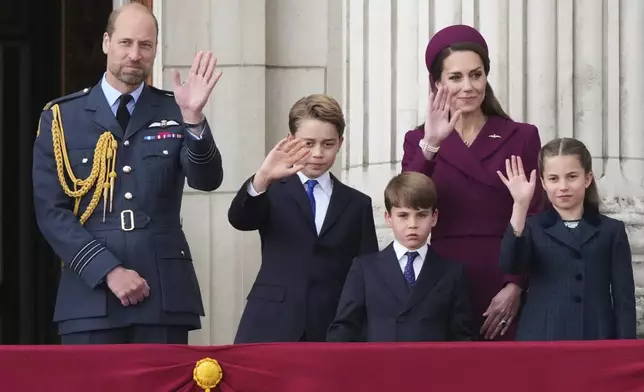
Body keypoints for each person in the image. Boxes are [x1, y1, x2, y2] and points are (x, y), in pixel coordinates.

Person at [32, 3, 224, 344]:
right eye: (126, 43)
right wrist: (108, 270)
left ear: (154, 50)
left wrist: (193, 117)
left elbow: (207, 180)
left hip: (163, 294)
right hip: (90, 296)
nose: (135, 54)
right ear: (107, 42)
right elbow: (51, 212)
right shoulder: (62, 117)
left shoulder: (175, 108)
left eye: (145, 45)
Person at [401, 24, 544, 340]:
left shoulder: (521, 136)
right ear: (437, 83)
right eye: (455, 77)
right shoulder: (418, 140)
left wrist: (516, 283)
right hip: (442, 278)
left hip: (503, 271)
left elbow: (535, 214)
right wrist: (432, 145)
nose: (468, 86)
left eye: (476, 75)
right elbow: (407, 204)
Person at [228, 94, 379, 343]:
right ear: (291, 140)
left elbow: (366, 271)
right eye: (308, 143)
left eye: (328, 144)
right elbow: (240, 219)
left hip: (332, 326)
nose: (318, 153)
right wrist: (262, 177)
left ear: (340, 142)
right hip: (271, 322)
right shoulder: (271, 189)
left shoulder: (357, 204)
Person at [497, 139, 636, 340]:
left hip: (595, 337)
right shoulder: (532, 227)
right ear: (543, 183)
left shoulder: (611, 230)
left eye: (572, 177)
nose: (563, 186)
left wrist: (625, 350)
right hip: (542, 337)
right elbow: (510, 264)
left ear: (587, 179)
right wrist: (520, 205)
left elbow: (624, 301)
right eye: (554, 179)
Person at [326, 172, 473, 342]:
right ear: (389, 218)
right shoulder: (364, 269)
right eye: (403, 215)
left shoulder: (451, 273)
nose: (412, 224)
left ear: (434, 217)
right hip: (380, 365)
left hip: (432, 366)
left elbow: (462, 337)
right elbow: (345, 328)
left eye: (421, 215)